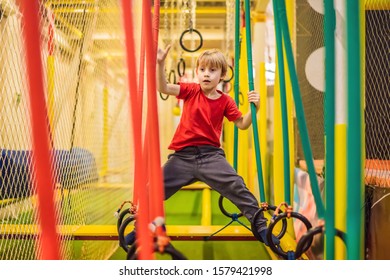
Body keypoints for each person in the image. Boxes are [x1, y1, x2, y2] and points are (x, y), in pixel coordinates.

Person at [156, 45, 279, 247]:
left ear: (221, 75)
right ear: (197, 73)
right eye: (202, 70)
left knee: (238, 187)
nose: (206, 74)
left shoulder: (225, 101)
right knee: (153, 189)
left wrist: (254, 109)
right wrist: (160, 64)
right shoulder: (190, 90)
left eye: (212, 71)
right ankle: (139, 228)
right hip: (182, 157)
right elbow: (163, 88)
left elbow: (242, 124)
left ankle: (262, 229)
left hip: (211, 157)